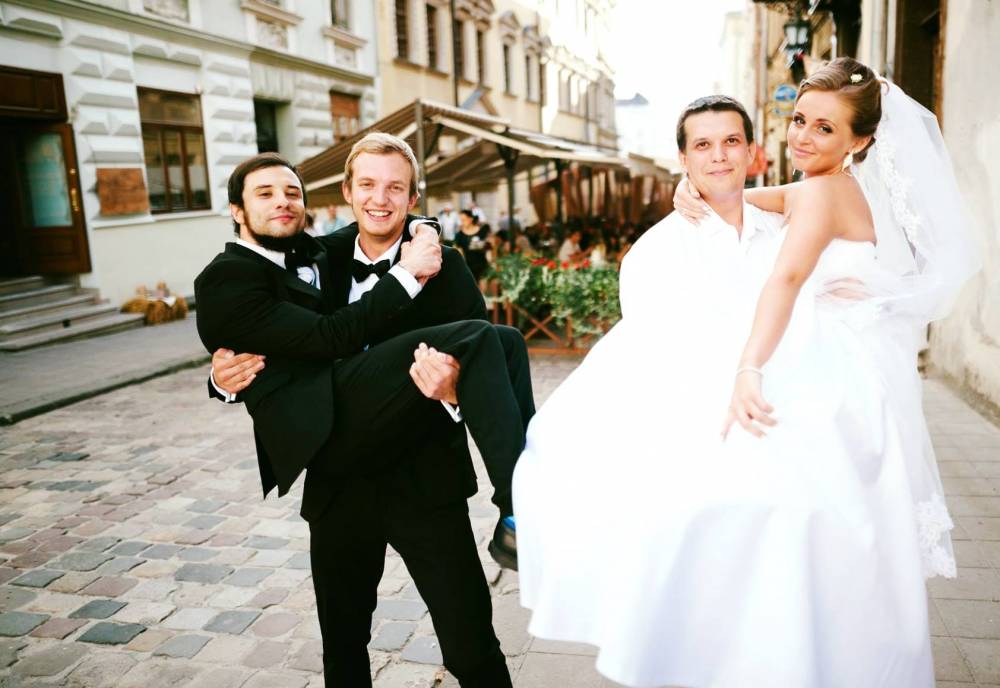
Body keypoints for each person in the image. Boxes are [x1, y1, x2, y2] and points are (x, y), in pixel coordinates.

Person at [514, 58, 979, 688]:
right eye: (800, 120)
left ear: (860, 141)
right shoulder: (826, 187)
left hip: (826, 366)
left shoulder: (822, 193)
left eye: (825, 129)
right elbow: (751, 197)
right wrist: (689, 189)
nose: (804, 137)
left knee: (774, 497)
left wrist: (750, 367)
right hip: (849, 359)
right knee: (834, 532)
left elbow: (785, 280)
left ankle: (751, 642)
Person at [197, 136, 534, 686]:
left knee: (473, 648)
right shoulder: (314, 258)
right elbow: (267, 329)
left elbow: (484, 371)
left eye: (396, 188)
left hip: (425, 481)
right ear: (347, 192)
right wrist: (220, 379)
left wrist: (452, 394)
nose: (381, 199)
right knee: (344, 649)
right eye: (369, 185)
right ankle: (524, 501)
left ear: (412, 197)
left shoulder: (445, 265)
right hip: (340, 480)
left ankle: (523, 504)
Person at [454, 208, 491, 284]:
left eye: (464, 220)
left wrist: (490, 260)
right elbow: (459, 252)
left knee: (483, 286)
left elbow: (488, 247)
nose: (462, 222)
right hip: (468, 267)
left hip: (483, 265)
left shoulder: (482, 231)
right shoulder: (459, 235)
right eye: (461, 220)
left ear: (470, 219)